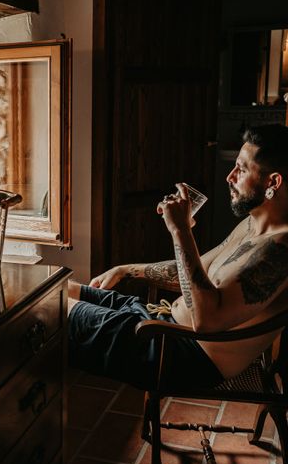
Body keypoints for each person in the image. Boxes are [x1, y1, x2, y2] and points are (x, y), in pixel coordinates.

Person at [68, 124, 288, 391]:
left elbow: (206, 320)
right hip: (159, 323)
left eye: (241, 169)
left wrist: (180, 231)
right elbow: (196, 275)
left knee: (47, 313)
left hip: (177, 355)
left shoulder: (279, 250)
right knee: (57, 292)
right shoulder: (253, 225)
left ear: (273, 182)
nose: (229, 177)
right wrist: (126, 270)